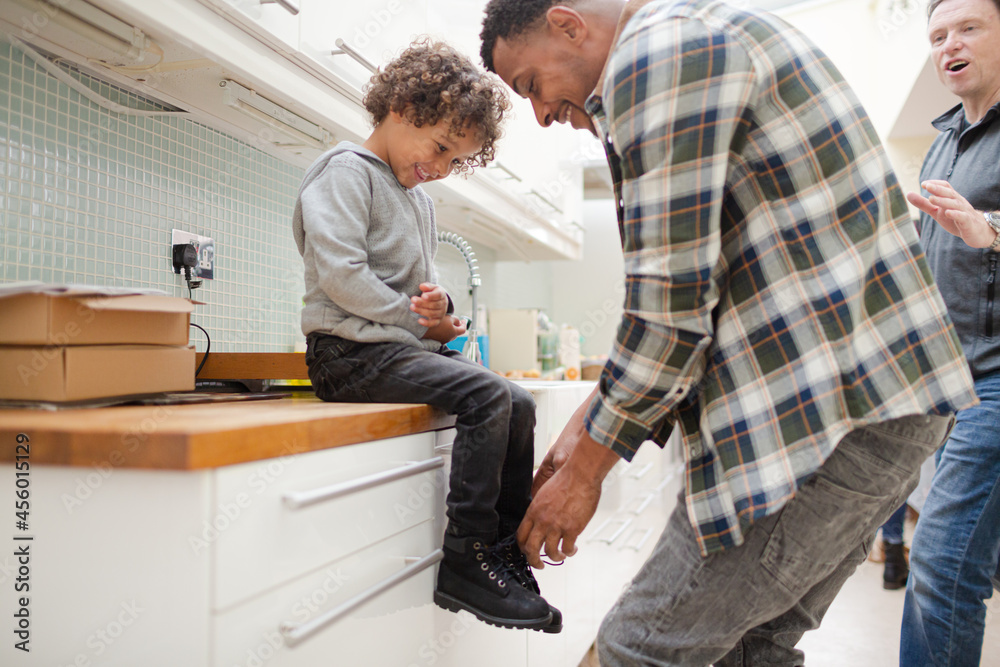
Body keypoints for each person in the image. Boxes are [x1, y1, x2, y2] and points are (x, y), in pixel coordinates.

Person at [479, 0, 979, 663]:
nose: (540, 114)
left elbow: (670, 307)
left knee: (637, 648)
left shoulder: (655, 55)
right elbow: (706, 284)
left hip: (825, 422)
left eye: (529, 86)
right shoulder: (700, 32)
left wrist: (586, 472)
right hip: (880, 406)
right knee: (749, 649)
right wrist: (590, 425)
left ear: (569, 24)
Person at [293, 39, 561, 633]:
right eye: (440, 146)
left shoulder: (418, 201)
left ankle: (502, 553)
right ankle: (467, 557)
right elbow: (342, 277)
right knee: (490, 396)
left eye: (455, 160)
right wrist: (416, 320)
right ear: (399, 107)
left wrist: (439, 314)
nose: (440, 167)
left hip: (390, 350)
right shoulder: (344, 172)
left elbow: (419, 297)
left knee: (514, 398)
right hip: (347, 356)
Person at [899, 0, 1000, 663]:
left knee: (944, 562)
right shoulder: (943, 139)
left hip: (994, 382)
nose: (950, 45)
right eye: (938, 36)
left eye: (968, 28)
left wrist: (991, 230)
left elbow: (979, 234)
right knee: (946, 562)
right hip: (945, 385)